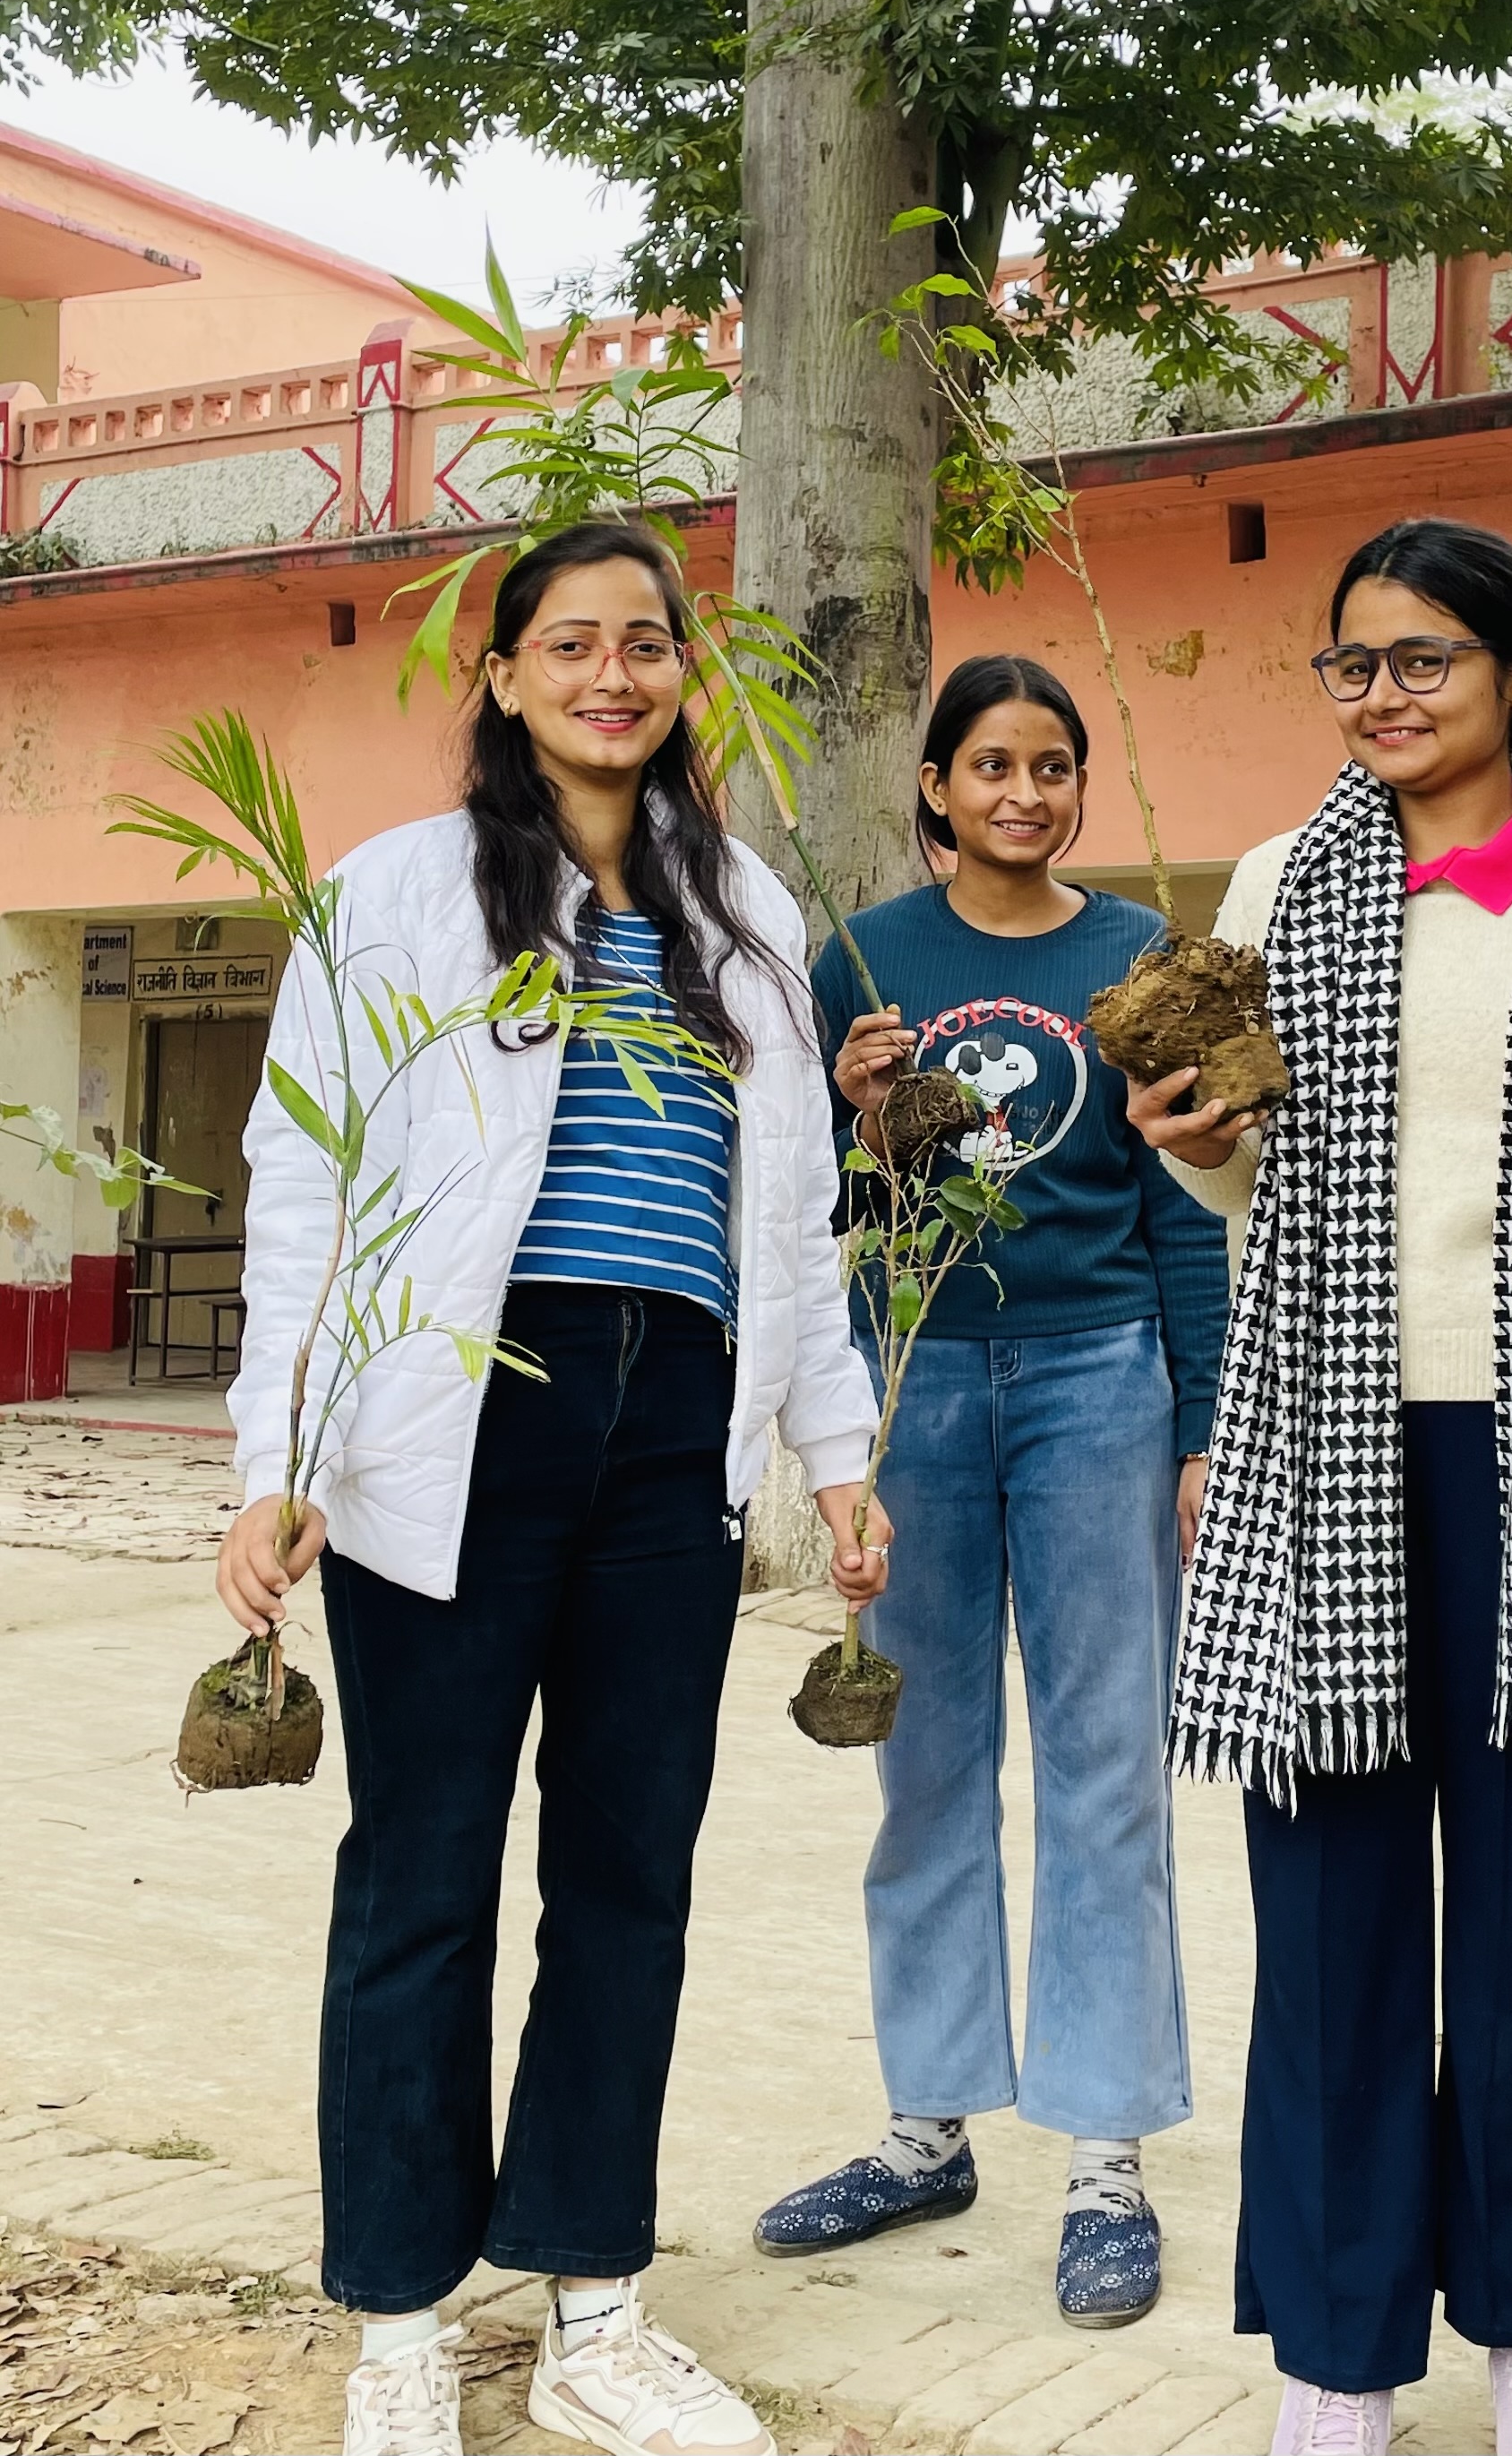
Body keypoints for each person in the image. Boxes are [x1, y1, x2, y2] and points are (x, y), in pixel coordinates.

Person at [215, 520, 889, 2456]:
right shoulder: (396, 893)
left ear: (684, 674)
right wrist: (277, 1458)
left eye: (649, 642)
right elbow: (305, 1181)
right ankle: (408, 2318)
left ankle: (596, 2299)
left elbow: (796, 1225)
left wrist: (835, 1460)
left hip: (676, 1421)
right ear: (503, 675)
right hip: (457, 1420)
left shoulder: (742, 907)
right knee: (417, 1878)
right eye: (572, 643)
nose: (617, 670)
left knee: (628, 1875)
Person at [1123, 518, 1512, 2456]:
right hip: (1328, 1432)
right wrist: (1192, 1132)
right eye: (1353, 663)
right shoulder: (1275, 884)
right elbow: (1235, 1184)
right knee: (1330, 1910)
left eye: (1428, 659)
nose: (1384, 694)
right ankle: (1339, 2351)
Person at [752, 654, 1230, 2328]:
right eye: (990, 766)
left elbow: (1181, 1197)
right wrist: (854, 1106)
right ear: (936, 789)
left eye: (1051, 766)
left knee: (1106, 1761)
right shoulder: (857, 962)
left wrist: (1198, 1422)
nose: (1022, 793)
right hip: (918, 1388)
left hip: (1102, 1379)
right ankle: (922, 2129)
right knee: (927, 1762)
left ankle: (1106, 2159)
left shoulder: (1134, 961)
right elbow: (812, 1207)